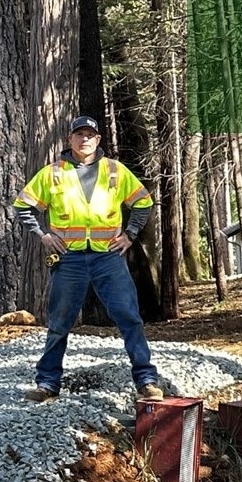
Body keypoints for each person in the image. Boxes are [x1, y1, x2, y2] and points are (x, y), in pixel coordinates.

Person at [14, 116, 163, 402]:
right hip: (68, 259)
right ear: (69, 140)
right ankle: (47, 384)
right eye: (79, 134)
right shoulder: (52, 173)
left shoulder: (115, 171)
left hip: (108, 257)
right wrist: (43, 234)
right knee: (59, 322)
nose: (84, 139)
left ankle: (146, 380)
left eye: (90, 135)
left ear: (98, 140)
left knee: (129, 317)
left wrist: (130, 235)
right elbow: (23, 205)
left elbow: (143, 202)